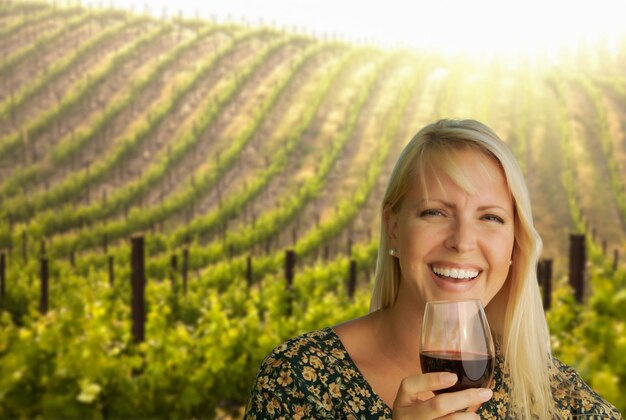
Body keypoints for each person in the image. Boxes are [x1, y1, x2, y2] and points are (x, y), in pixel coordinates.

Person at [244, 119, 622, 419]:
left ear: (514, 245)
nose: (463, 241)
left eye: (490, 217)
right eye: (435, 212)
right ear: (393, 226)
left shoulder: (548, 392)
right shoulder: (298, 381)